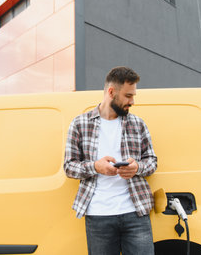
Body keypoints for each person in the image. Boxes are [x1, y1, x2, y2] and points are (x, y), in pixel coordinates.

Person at [64, 66, 158, 254]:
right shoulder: (80, 124)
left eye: (133, 96)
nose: (132, 102)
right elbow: (69, 167)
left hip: (135, 214)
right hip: (98, 217)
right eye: (128, 96)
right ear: (111, 92)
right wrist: (95, 167)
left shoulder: (138, 124)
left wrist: (137, 167)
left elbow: (152, 161)